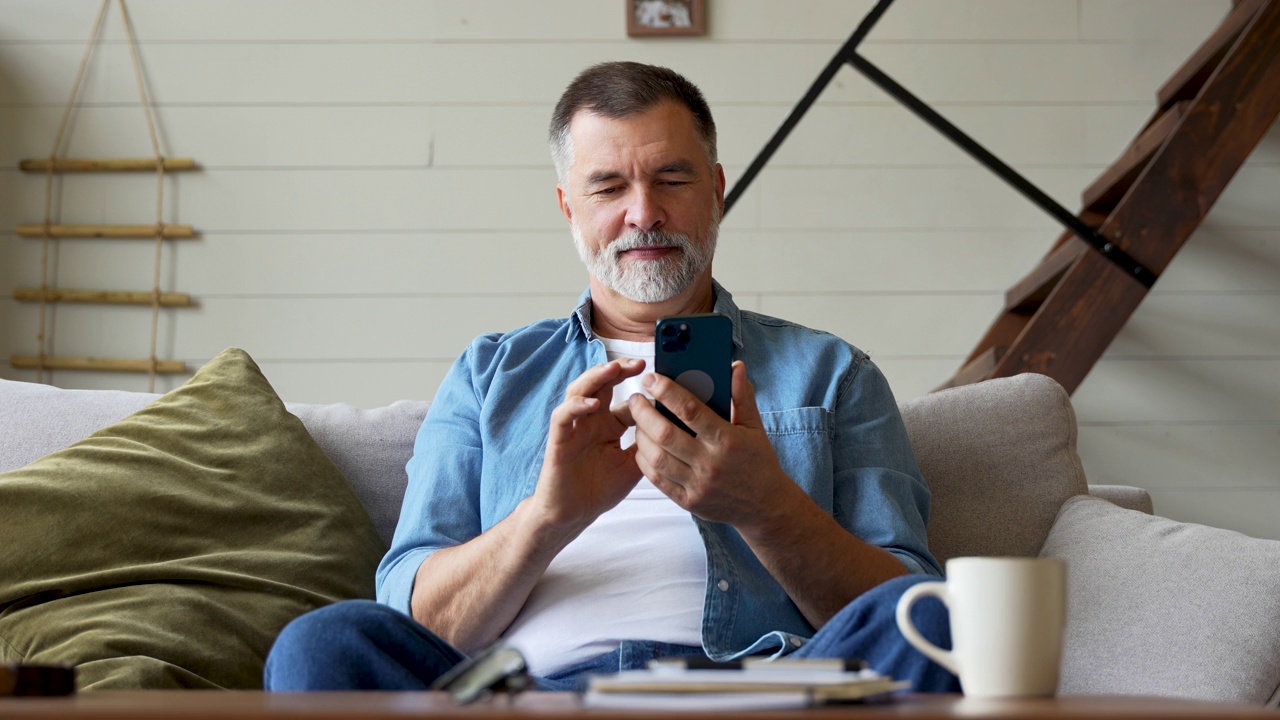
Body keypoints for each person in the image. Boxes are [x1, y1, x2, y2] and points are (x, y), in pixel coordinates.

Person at [264, 61, 957, 693]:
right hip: (525, 694)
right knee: (323, 643)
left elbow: (913, 609)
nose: (644, 212)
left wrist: (765, 506)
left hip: (763, 689)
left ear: (716, 191)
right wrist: (547, 517)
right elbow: (416, 615)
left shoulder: (832, 373)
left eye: (672, 179)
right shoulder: (490, 373)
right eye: (608, 186)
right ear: (570, 206)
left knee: (939, 622)